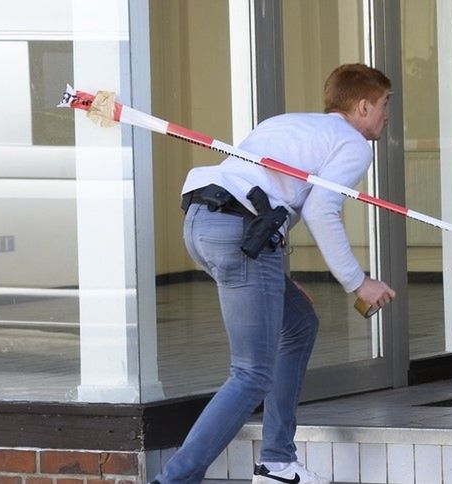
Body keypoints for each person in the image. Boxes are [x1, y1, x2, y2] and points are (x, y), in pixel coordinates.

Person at [153, 63, 397, 484]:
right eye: (384, 104)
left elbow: (263, 191)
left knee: (299, 322)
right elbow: (321, 209)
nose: (387, 114)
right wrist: (358, 282)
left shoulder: (286, 123)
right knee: (251, 375)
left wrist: (273, 275)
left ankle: (277, 463)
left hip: (201, 224)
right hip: (240, 234)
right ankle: (173, 480)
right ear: (362, 106)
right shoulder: (354, 143)